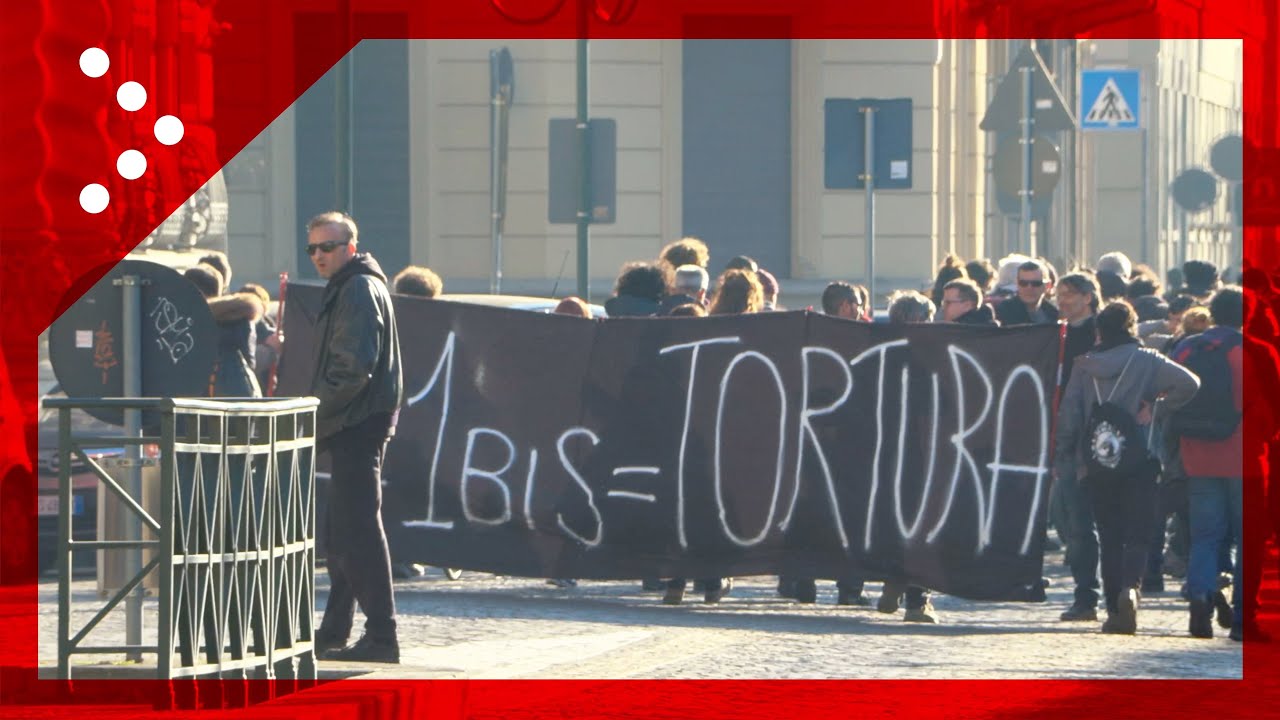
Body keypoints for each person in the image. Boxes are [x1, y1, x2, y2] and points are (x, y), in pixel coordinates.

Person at [1055, 300, 1198, 634]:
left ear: (1099, 330)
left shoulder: (1084, 365)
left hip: (1097, 460)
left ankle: (1112, 610)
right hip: (1141, 459)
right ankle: (1131, 589)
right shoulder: (1147, 360)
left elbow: (1070, 413)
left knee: (1109, 535)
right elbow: (1190, 383)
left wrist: (1066, 454)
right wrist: (1158, 407)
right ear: (1132, 327)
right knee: (1138, 533)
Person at [306, 212, 404, 663]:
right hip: (352, 421)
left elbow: (351, 369)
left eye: (327, 247)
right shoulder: (352, 286)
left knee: (357, 531)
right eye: (312, 249)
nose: (319, 256)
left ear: (349, 246)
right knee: (341, 531)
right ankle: (333, 630)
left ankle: (382, 636)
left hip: (355, 422)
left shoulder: (360, 288)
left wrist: (311, 413)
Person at [1176, 287, 1280, 641]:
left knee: (1204, 536)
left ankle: (1200, 604)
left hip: (1197, 454)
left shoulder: (1187, 347)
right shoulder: (1258, 351)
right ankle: (1243, 620)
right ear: (1248, 315)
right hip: (1247, 457)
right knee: (1249, 539)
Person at [878, 290, 942, 623]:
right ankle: (916, 599)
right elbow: (928, 413)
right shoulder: (927, 359)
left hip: (880, 455)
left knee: (890, 521)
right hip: (915, 455)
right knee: (920, 526)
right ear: (918, 320)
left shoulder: (877, 353)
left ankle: (894, 578)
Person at [1050, 271, 1104, 622]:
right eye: (1060, 293)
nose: (1062, 300)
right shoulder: (1056, 334)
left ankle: (1099, 594)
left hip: (1100, 439)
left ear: (1088, 297)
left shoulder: (1102, 333)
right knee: (1069, 519)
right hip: (1066, 436)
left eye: (1069, 293)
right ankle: (1087, 593)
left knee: (1093, 522)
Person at [995, 260, 1059, 326]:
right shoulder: (1002, 312)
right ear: (1017, 283)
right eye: (1023, 283)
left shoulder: (1054, 313)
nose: (1029, 288)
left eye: (1036, 283)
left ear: (1048, 286)